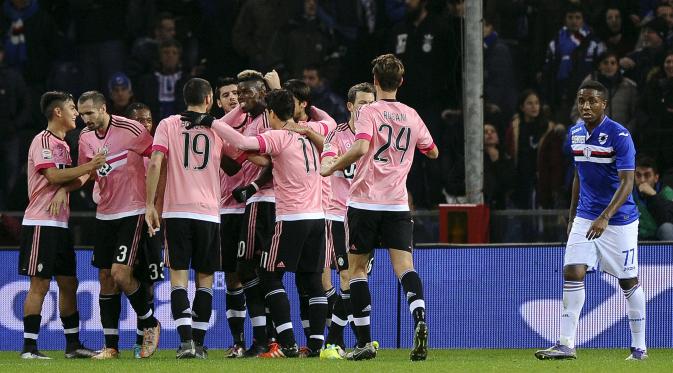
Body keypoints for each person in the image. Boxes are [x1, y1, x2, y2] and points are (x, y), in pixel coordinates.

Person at [185, 88, 327, 358]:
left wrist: (210, 122)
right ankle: (316, 345)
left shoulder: (278, 136)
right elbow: (270, 159)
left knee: (267, 274)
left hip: (292, 218)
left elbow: (241, 143)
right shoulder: (308, 138)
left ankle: (287, 342)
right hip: (317, 217)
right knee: (312, 280)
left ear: (272, 114)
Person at [321, 54, 438, 361]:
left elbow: (360, 147)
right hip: (398, 204)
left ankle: (363, 342)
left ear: (375, 81)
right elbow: (433, 151)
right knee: (405, 268)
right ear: (401, 82)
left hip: (364, 202)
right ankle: (420, 317)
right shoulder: (412, 115)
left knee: (356, 271)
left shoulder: (369, 112)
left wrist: (332, 165)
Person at [535, 80, 646, 361]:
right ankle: (566, 344)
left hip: (619, 220)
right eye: (581, 100)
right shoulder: (574, 133)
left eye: (592, 101)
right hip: (585, 217)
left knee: (627, 280)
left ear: (604, 105)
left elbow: (628, 182)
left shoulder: (619, 135)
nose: (585, 106)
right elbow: (578, 176)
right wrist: (573, 216)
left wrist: (605, 217)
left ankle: (639, 347)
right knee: (572, 271)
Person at [145, 78, 245, 359]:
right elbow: (235, 164)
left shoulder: (167, 124)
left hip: (176, 211)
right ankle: (199, 344)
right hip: (208, 214)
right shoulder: (216, 129)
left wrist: (149, 204)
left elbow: (155, 163)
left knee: (178, 279)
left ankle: (186, 343)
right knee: (205, 280)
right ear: (210, 99)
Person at [18, 91, 105, 359]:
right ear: (58, 112)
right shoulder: (42, 141)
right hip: (40, 222)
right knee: (40, 285)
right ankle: (29, 348)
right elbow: (53, 175)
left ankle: (73, 346)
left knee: (69, 283)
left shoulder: (65, 145)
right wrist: (87, 167)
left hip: (60, 223)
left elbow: (73, 179)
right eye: (71, 108)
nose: (76, 113)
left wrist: (72, 182)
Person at [76, 91, 161, 359]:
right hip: (105, 214)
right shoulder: (85, 138)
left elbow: (159, 160)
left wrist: (153, 204)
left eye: (90, 113)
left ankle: (150, 323)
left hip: (132, 211)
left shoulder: (130, 128)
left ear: (103, 108)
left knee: (120, 273)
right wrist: (62, 189)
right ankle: (111, 346)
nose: (85, 119)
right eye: (81, 114)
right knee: (105, 279)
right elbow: (85, 174)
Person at [319, 82, 376, 360]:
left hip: (366, 215)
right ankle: (336, 341)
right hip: (338, 214)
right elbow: (326, 165)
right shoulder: (337, 135)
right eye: (362, 103)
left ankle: (343, 341)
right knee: (345, 276)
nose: (367, 108)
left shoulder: (378, 136)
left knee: (356, 280)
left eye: (371, 103)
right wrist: (342, 160)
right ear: (350, 106)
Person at [124, 102, 166, 358]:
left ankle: (142, 338)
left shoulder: (157, 152)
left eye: (148, 120)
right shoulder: (123, 149)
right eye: (139, 120)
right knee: (122, 277)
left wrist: (158, 215)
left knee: (148, 281)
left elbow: (163, 187)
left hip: (151, 222)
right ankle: (145, 328)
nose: (144, 125)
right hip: (124, 220)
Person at [633, 156, 673, 240]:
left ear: (656, 178)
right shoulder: (627, 193)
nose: (642, 180)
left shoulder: (667, 192)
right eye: (638, 175)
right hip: (636, 237)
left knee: (667, 228)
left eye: (647, 175)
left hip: (659, 236)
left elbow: (669, 219)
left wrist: (654, 196)